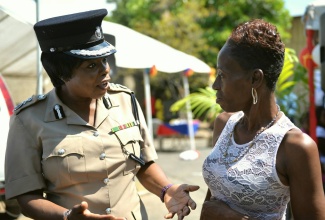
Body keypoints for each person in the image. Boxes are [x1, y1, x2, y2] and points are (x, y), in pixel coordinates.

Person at [4, 9, 199, 220]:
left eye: (105, 60)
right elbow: (26, 196)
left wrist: (165, 190)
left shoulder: (125, 100)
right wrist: (68, 216)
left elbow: (142, 162)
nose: (105, 70)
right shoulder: (29, 119)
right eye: (91, 65)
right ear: (62, 73)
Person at [200, 19, 325, 220]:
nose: (215, 85)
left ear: (255, 79)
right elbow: (214, 198)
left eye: (222, 75)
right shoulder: (224, 124)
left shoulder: (295, 147)